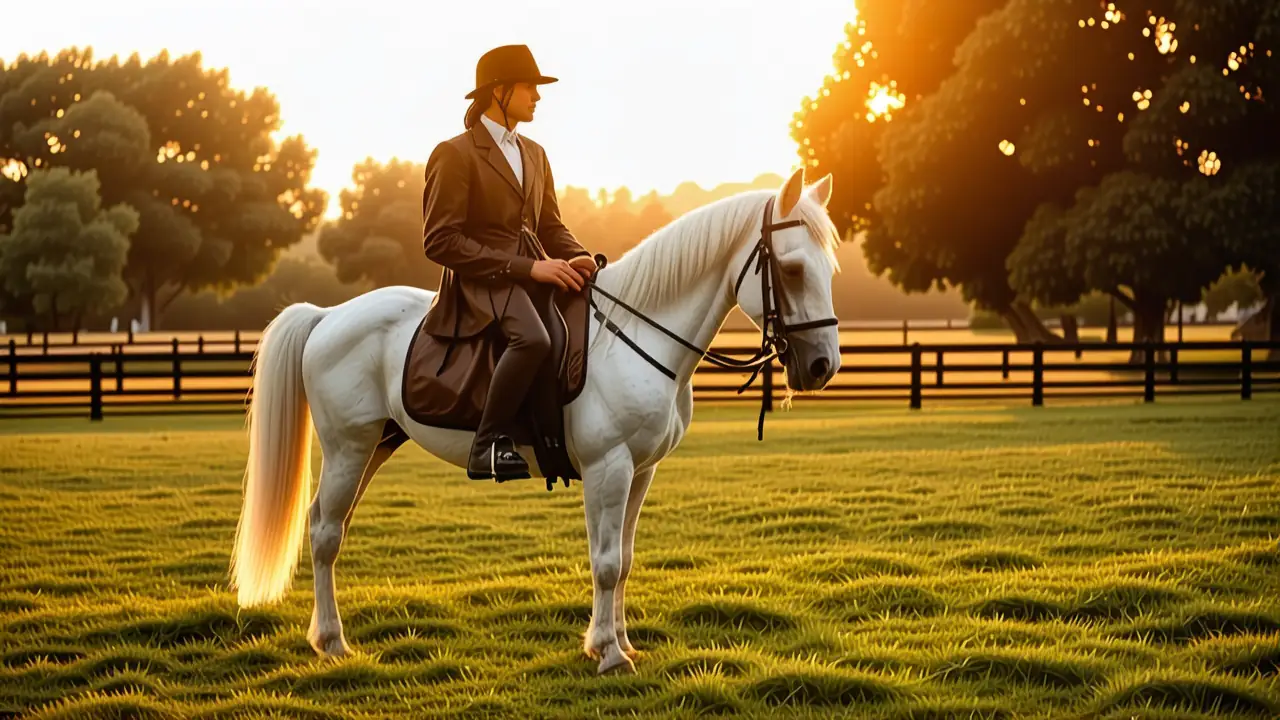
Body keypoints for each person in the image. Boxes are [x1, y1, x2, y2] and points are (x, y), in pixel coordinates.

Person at [421, 44, 597, 480]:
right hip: (480, 279)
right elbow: (440, 240)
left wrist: (578, 255)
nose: (537, 96)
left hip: (530, 275)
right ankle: (485, 446)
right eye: (529, 87)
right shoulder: (455, 153)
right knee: (533, 340)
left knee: (572, 327)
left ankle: (551, 440)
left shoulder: (535, 153)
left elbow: (550, 224)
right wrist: (527, 268)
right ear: (499, 92)